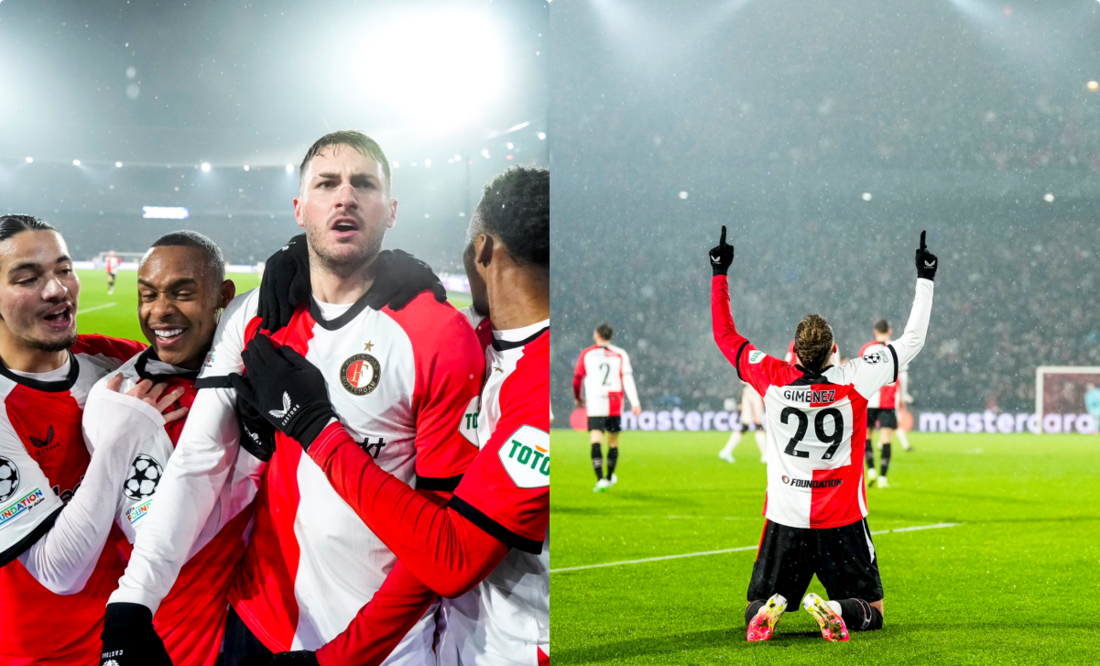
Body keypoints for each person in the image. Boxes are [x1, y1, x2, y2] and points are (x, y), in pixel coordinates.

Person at [100, 131, 484, 666]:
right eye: (327, 183)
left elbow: (445, 535)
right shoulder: (258, 316)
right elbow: (198, 461)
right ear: (300, 207)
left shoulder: (438, 333)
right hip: (261, 623)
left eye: (363, 184)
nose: (345, 196)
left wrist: (349, 654)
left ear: (391, 210)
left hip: (387, 647)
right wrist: (133, 600)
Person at [232, 165, 550, 666]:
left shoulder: (543, 391)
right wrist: (299, 258)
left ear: (484, 250)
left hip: (516, 649)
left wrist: (313, 426)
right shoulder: (483, 336)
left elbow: (453, 558)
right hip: (454, 640)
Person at [709, 226, 937, 642]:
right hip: (843, 518)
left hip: (785, 516)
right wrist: (925, 279)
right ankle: (834, 608)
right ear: (835, 350)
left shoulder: (772, 378)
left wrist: (719, 272)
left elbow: (725, 335)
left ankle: (771, 608)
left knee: (753, 605)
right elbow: (914, 339)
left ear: (793, 353)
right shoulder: (856, 378)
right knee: (874, 611)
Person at [0, 215, 171, 665]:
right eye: (28, 278)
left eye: (63, 269)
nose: (57, 290)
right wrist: (119, 440)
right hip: (40, 655)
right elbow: (59, 573)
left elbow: (214, 362)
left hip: (134, 635)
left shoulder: (111, 359)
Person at [88, 231, 265, 666]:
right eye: (147, 295)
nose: (160, 311)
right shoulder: (121, 397)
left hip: (262, 618)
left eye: (182, 293)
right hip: (171, 631)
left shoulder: (262, 372)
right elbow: (155, 529)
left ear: (223, 297)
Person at [573, 324, 641, 491]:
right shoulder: (620, 353)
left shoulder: (587, 354)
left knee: (595, 440)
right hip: (614, 402)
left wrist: (577, 397)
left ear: (596, 335)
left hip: (595, 402)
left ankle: (600, 479)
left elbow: (577, 378)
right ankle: (610, 477)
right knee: (613, 442)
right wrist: (635, 402)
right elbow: (627, 379)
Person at [861, 320, 901, 488]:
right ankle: (883, 478)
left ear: (875, 331)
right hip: (888, 400)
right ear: (890, 331)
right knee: (886, 439)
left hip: (869, 398)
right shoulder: (896, 348)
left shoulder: (866, 349)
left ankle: (871, 470)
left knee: (867, 436)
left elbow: (860, 373)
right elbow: (901, 375)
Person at [719, 380, 766, 464]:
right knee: (758, 425)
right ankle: (765, 455)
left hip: (750, 391)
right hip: (754, 393)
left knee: (745, 426)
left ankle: (726, 451)